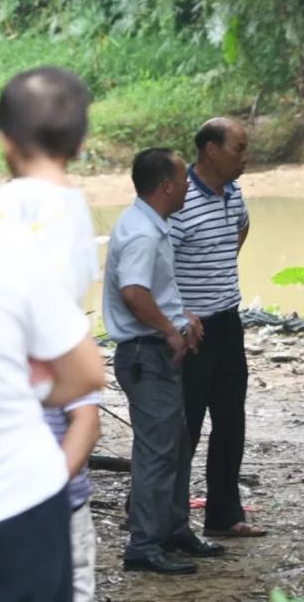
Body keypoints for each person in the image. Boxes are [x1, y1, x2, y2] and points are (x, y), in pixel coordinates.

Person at [0, 68, 106, 600]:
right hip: (13, 505)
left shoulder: (8, 211)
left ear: (2, 142)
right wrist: (26, 382)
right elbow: (86, 373)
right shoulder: (11, 236)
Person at [104, 148, 219, 575]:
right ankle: (144, 544)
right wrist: (172, 331)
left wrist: (180, 316)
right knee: (157, 451)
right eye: (183, 179)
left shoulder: (151, 224)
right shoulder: (142, 233)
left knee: (174, 443)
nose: (189, 185)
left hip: (153, 353)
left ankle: (174, 529)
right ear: (167, 186)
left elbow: (152, 289)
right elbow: (134, 292)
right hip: (145, 355)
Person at [168, 118, 265, 538]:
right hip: (191, 329)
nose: (245, 157)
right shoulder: (179, 198)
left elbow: (242, 226)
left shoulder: (233, 191)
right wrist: (180, 313)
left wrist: (218, 267)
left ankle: (224, 515)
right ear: (211, 150)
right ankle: (164, 519)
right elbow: (158, 263)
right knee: (185, 425)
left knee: (230, 420)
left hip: (227, 320)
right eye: (238, 149)